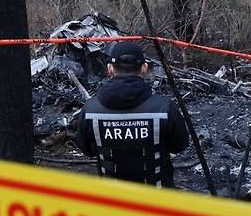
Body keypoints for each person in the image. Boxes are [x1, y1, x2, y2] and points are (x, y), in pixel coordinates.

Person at [75, 41, 189, 187]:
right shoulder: (164, 108)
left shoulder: (90, 110)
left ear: (110, 69)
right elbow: (179, 146)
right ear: (144, 68)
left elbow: (87, 150)